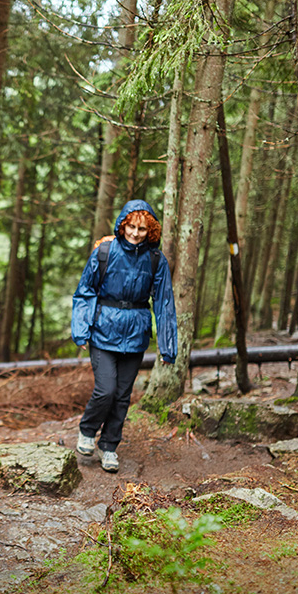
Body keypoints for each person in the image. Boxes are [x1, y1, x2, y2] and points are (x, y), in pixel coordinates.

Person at [71, 199, 177, 472]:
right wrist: (81, 330)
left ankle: (109, 447)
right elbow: (85, 291)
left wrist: (167, 346)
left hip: (136, 335)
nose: (135, 233)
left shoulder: (156, 260)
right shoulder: (104, 252)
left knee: (122, 395)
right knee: (105, 390)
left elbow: (164, 303)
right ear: (122, 224)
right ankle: (87, 430)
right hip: (103, 331)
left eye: (142, 229)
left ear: (150, 230)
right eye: (131, 226)